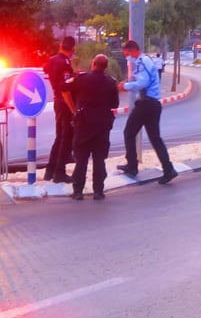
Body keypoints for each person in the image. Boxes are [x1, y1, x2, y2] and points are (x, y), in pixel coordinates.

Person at [117, 39, 179, 184]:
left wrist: (125, 86)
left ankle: (132, 166)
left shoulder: (142, 61)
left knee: (129, 133)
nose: (127, 57)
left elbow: (142, 83)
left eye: (127, 54)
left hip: (146, 104)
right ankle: (168, 169)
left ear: (133, 51)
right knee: (155, 139)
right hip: (153, 104)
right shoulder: (145, 60)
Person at [69, 54, 120, 200]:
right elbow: (114, 104)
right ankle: (98, 191)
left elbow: (64, 87)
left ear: (93, 64)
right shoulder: (111, 82)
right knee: (99, 159)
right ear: (105, 67)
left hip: (84, 125)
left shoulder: (81, 79)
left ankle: (78, 191)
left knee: (81, 159)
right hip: (102, 126)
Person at [43, 36, 77, 183]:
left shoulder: (52, 60)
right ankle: (59, 173)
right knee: (66, 138)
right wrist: (73, 109)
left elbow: (46, 71)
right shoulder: (65, 63)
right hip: (64, 102)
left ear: (61, 46)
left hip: (57, 102)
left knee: (59, 138)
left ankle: (50, 171)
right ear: (73, 48)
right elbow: (66, 86)